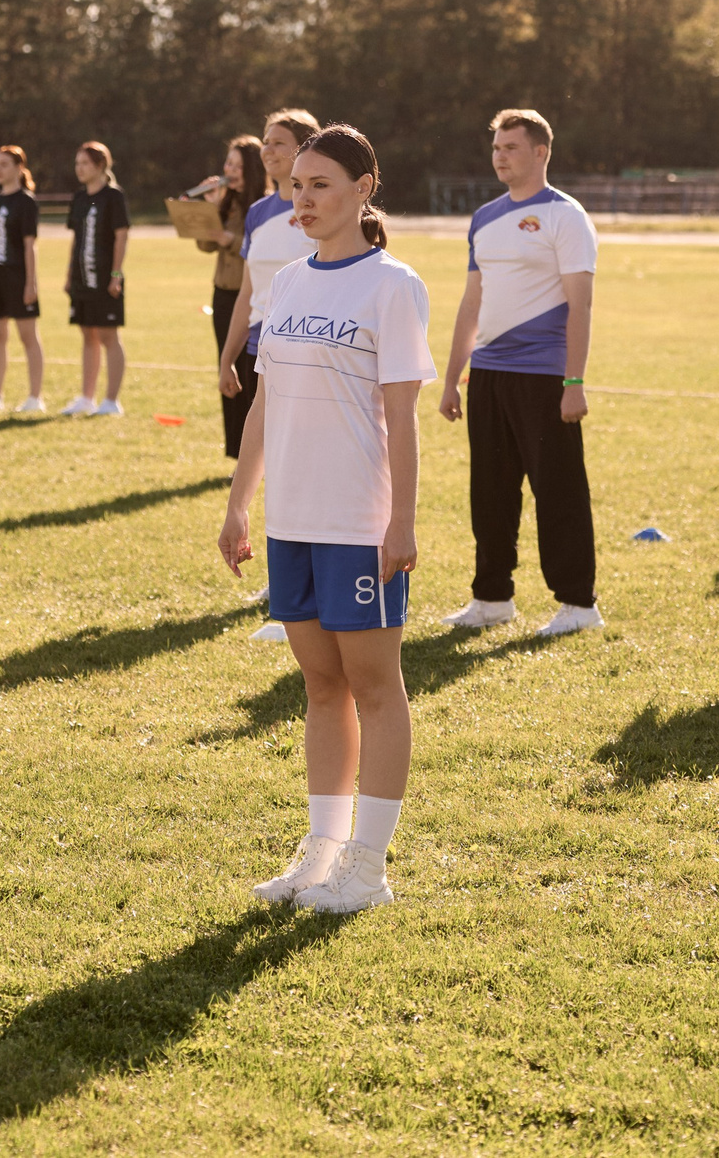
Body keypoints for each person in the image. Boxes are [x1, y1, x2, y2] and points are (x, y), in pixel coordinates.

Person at [218, 123, 431, 914]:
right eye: (297, 185)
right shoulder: (289, 283)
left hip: (359, 521)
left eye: (320, 186)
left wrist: (401, 522)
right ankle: (323, 852)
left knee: (375, 687)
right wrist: (241, 502)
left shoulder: (393, 286)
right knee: (319, 685)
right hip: (292, 520)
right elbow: (266, 404)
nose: (302, 200)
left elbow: (403, 420)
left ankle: (368, 868)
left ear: (364, 191)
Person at [437, 108, 604, 636]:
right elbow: (472, 300)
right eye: (496, 148)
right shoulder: (484, 217)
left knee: (557, 490)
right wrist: (452, 376)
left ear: (540, 152)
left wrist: (573, 381)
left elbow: (581, 306)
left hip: (544, 376)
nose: (501, 156)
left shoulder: (565, 216)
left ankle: (578, 605)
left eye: (511, 147)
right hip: (487, 372)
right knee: (489, 489)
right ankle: (492, 597)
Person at [216, 108, 322, 638]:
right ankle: (286, 580)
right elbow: (248, 292)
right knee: (270, 466)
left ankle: (299, 594)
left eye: (280, 143)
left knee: (301, 467)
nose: (268, 151)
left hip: (307, 356)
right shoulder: (257, 212)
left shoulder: (316, 211)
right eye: (265, 142)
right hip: (262, 352)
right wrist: (229, 353)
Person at [190, 135, 264, 456]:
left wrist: (229, 238)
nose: (230, 170)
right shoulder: (226, 201)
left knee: (251, 374)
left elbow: (257, 248)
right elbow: (205, 245)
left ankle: (255, 451)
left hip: (251, 297)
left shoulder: (264, 204)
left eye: (237, 164)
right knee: (227, 370)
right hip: (223, 294)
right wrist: (211, 208)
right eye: (228, 163)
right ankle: (234, 450)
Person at [63, 141, 130, 418]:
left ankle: (111, 400)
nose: (79, 169)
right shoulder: (80, 198)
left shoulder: (113, 197)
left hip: (105, 278)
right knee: (87, 334)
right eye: (77, 163)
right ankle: (86, 397)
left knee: (107, 335)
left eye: (85, 164)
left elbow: (121, 235)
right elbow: (76, 239)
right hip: (81, 279)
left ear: (100, 166)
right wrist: (69, 274)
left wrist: (115, 274)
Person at [0, 146, 46, 413]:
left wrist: (31, 283)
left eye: (4, 164)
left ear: (19, 167)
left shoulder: (26, 201)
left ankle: (35, 397)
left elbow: (30, 245)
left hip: (18, 275)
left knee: (28, 335)